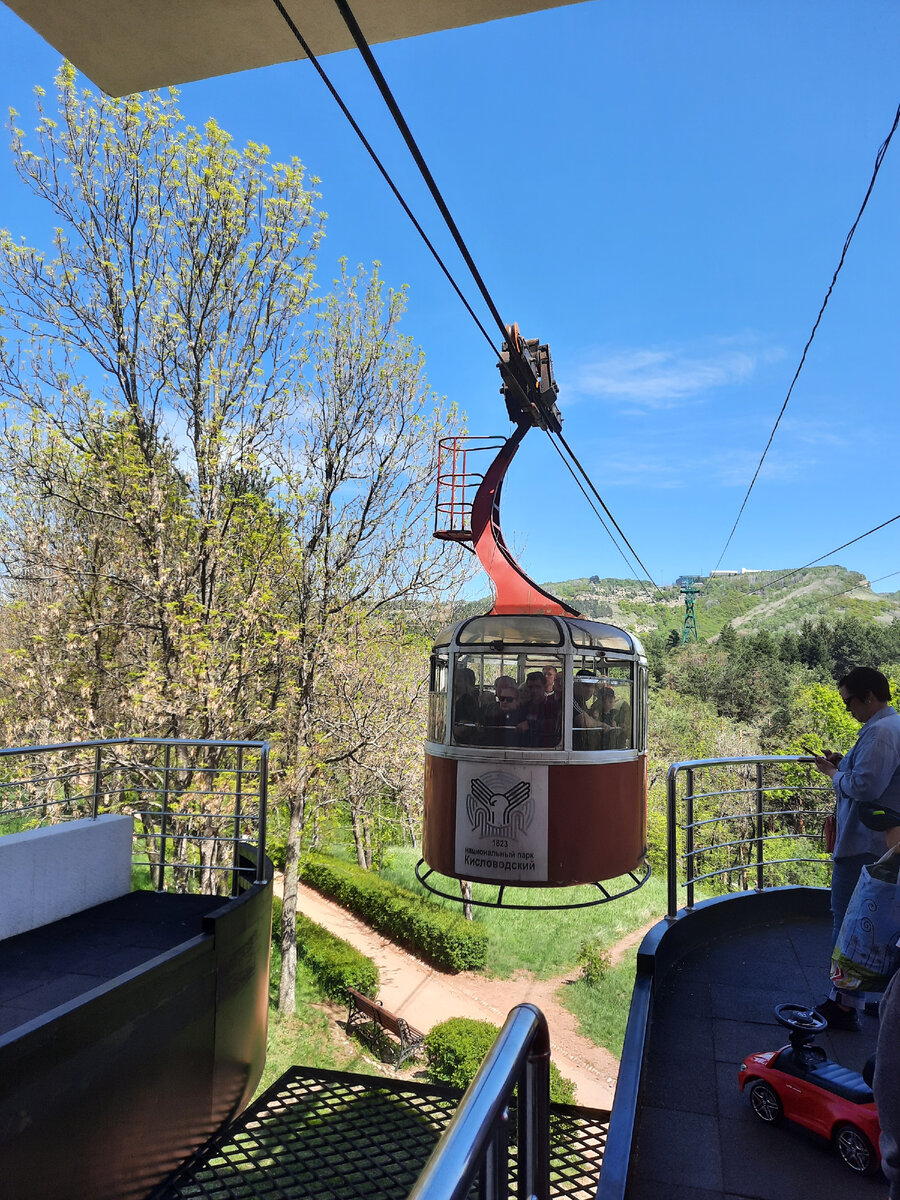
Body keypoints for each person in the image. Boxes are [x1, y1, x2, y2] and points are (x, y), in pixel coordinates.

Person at [810, 666, 900, 1029]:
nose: (848, 710)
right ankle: (858, 999)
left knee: (846, 919)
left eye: (850, 702)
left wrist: (834, 775)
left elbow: (865, 787)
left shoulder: (880, 733)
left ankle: (843, 1004)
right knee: (871, 924)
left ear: (868, 697)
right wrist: (844, 762)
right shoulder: (890, 728)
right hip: (879, 842)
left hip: (864, 842)